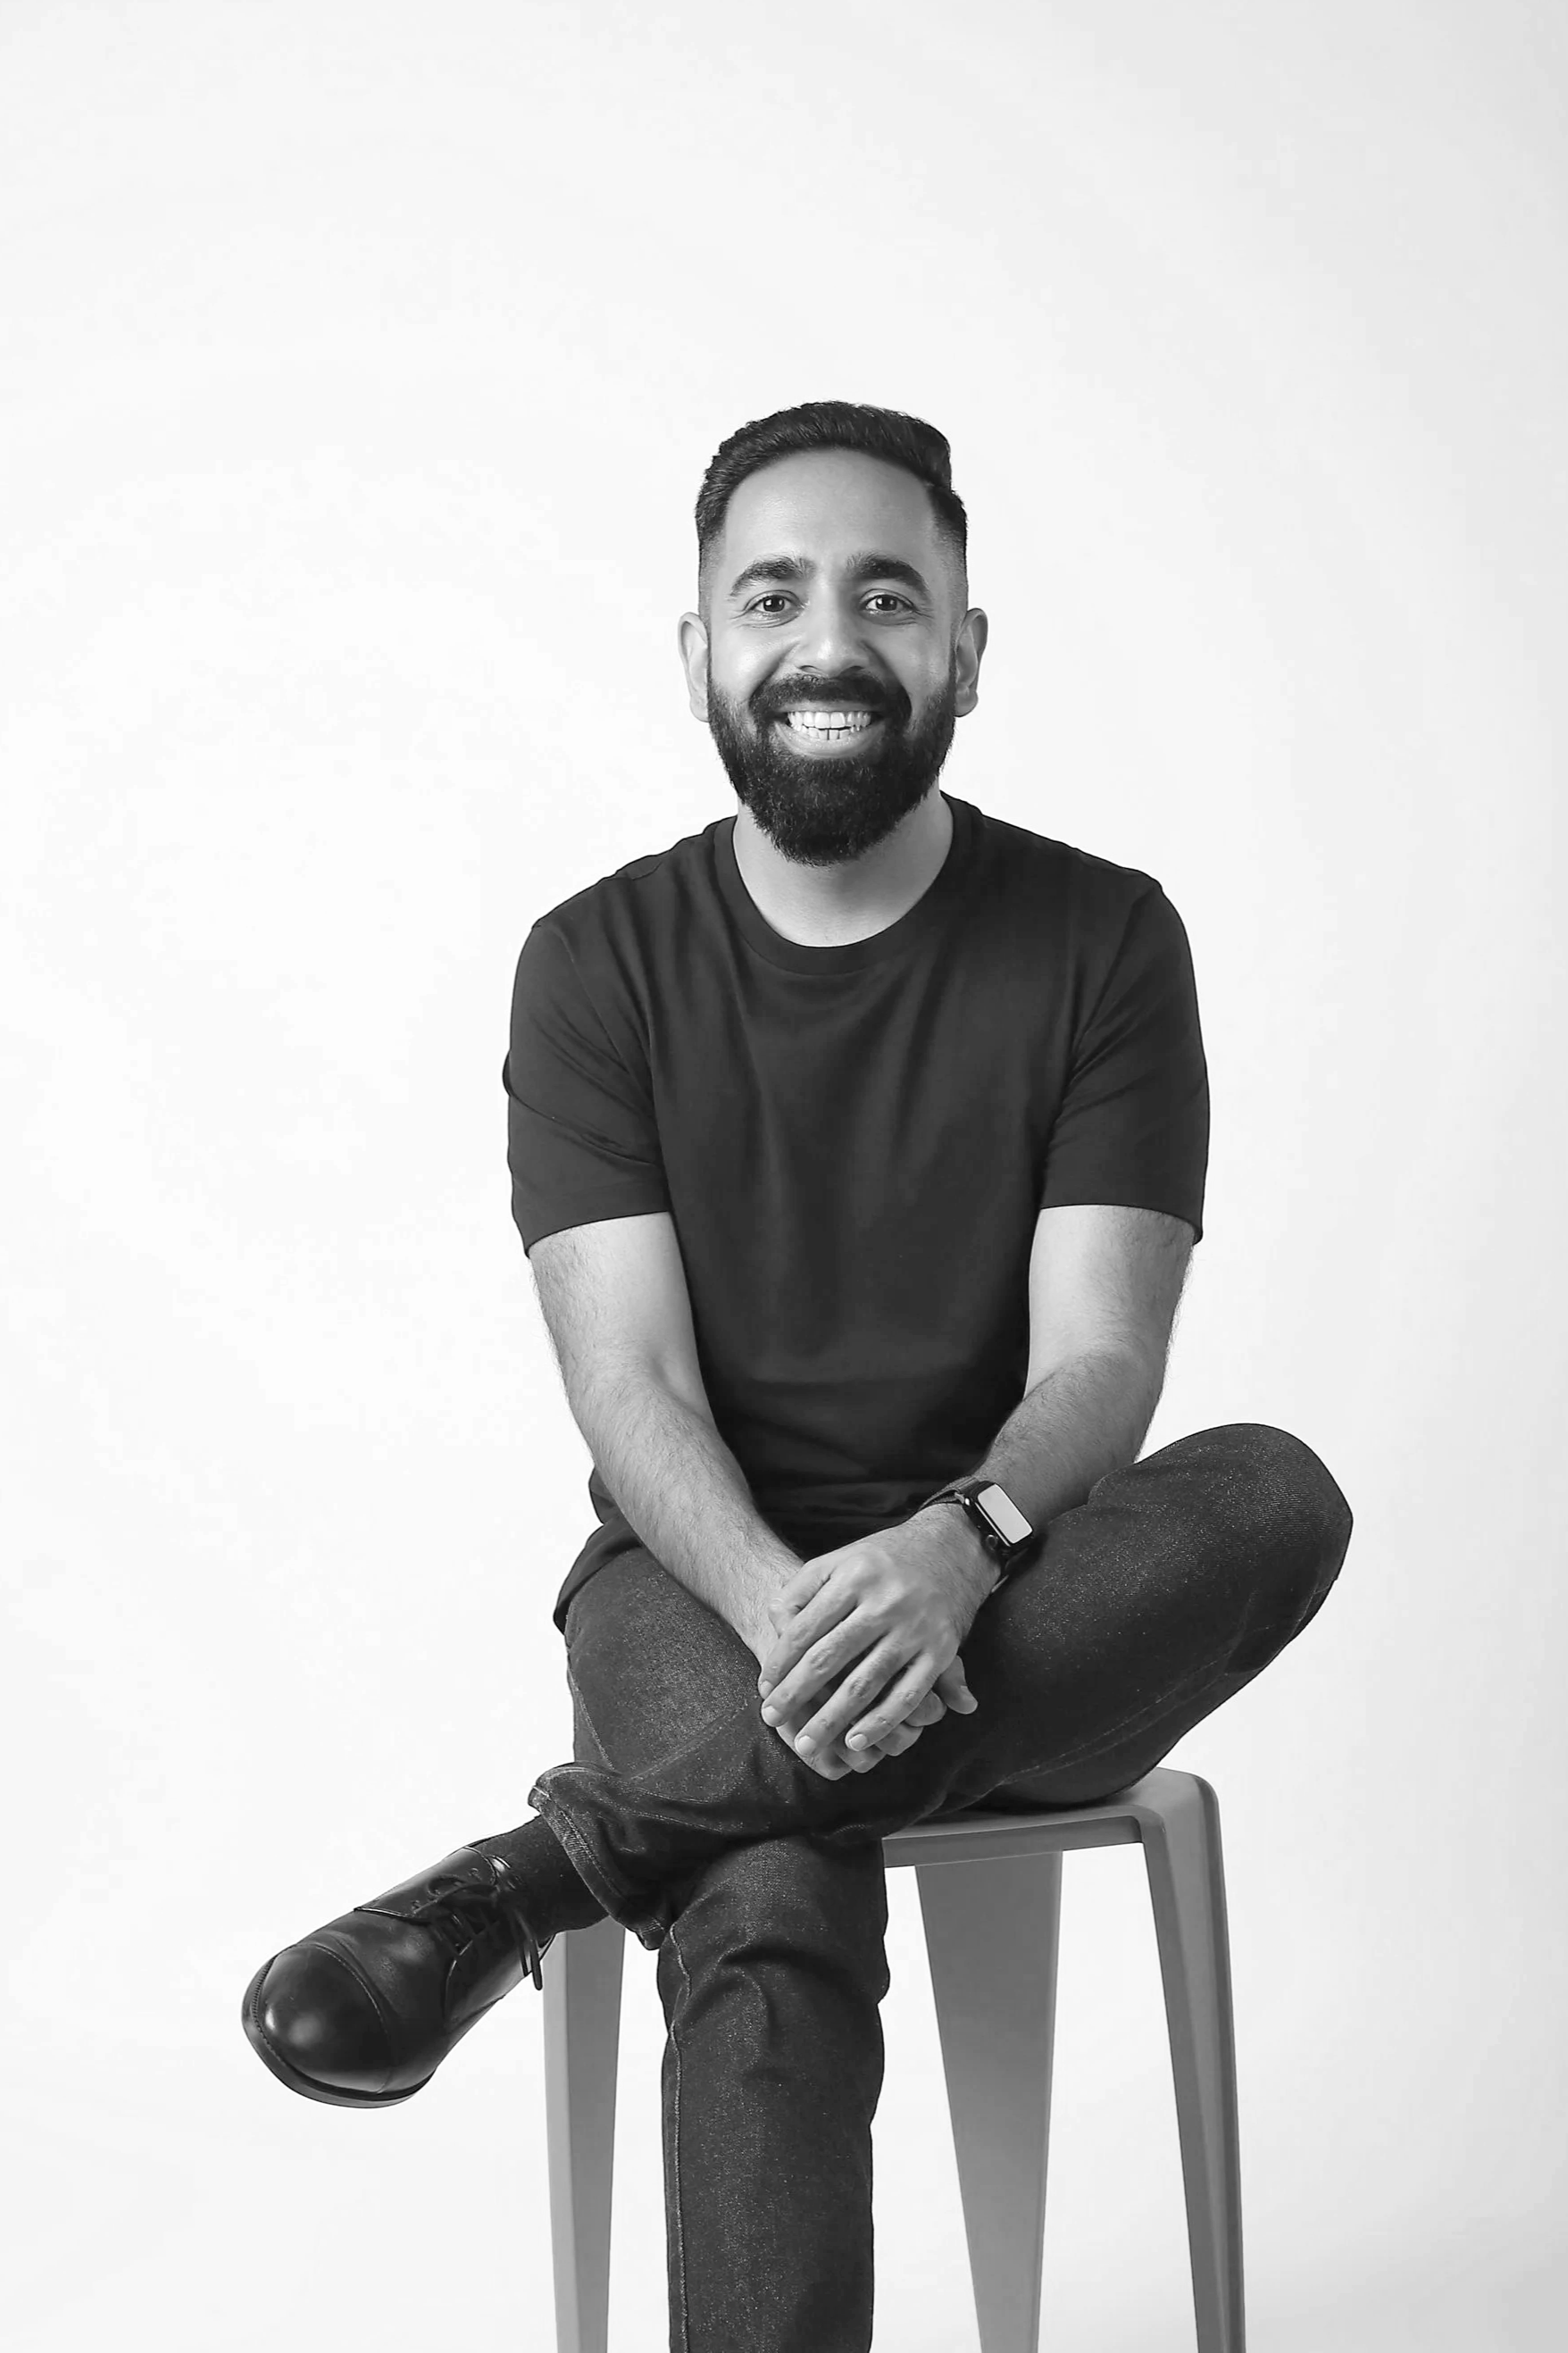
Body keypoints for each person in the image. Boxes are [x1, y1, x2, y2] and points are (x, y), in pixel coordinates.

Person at [241, 399, 1354, 2353]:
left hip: (1021, 1586)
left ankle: (555, 1865)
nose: (826, 642)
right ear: (700, 656)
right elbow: (630, 1393)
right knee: (763, 1886)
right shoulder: (594, 965)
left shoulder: (1101, 940)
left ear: (961, 653)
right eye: (771, 596)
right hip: (690, 1598)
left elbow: (1103, 1360)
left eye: (884, 595)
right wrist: (780, 1609)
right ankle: (682, 1817)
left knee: (1269, 1497)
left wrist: (956, 1543)